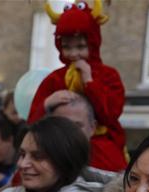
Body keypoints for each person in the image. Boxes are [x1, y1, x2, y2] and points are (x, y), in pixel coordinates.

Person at [28, 0, 126, 172]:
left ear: (93, 43)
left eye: (80, 46)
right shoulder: (54, 79)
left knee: (111, 176)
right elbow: (32, 123)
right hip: (58, 145)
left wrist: (90, 82)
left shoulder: (108, 75)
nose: (73, 54)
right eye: (66, 47)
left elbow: (111, 115)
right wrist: (47, 103)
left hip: (98, 147)